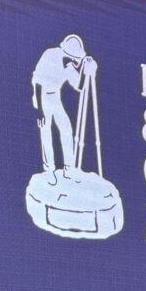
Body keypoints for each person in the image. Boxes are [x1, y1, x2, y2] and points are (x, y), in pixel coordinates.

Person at [31, 33, 97, 182]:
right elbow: (37, 80)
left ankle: (69, 169)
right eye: (75, 58)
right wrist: (39, 109)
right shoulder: (50, 55)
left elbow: (79, 86)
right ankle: (49, 171)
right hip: (43, 95)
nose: (75, 61)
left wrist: (86, 69)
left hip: (55, 97)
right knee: (46, 131)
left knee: (66, 128)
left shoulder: (70, 65)